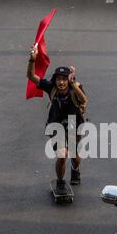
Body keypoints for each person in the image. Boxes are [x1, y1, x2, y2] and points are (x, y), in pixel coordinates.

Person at [27, 44, 88, 194]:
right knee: (62, 155)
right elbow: (31, 76)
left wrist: (74, 84)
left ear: (68, 80)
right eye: (58, 79)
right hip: (56, 125)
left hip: (74, 124)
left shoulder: (75, 87)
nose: (61, 82)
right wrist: (32, 59)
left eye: (64, 80)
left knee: (74, 154)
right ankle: (60, 182)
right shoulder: (51, 86)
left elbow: (84, 99)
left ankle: (75, 170)